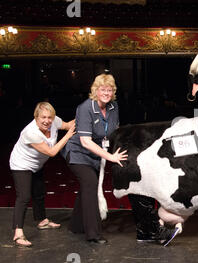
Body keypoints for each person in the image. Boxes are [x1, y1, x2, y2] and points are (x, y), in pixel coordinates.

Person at [62, 74, 127, 244]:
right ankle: (93, 234)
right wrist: (111, 157)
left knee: (87, 187)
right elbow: (85, 141)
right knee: (90, 183)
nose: (106, 92)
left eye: (110, 89)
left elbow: (115, 131)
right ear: (95, 91)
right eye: (103, 89)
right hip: (78, 153)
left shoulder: (114, 107)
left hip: (96, 155)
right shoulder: (85, 108)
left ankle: (76, 225)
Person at [9, 102, 76, 247]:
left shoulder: (53, 121)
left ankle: (42, 221)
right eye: (43, 118)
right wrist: (68, 136)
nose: (47, 121)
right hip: (21, 164)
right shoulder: (31, 132)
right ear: (36, 117)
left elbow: (68, 125)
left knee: (39, 193)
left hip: (36, 164)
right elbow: (51, 152)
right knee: (24, 196)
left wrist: (85, 114)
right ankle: (18, 233)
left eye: (50, 117)